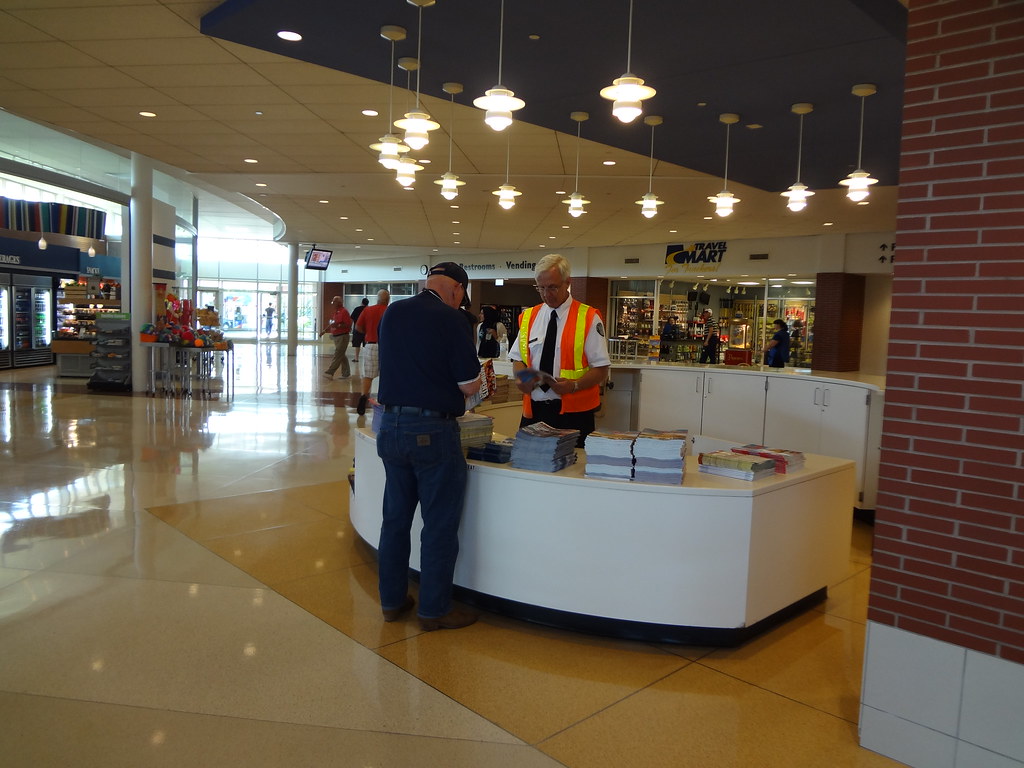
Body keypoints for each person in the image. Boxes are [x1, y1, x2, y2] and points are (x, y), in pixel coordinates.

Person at [375, 262, 482, 631]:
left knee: (394, 520)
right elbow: (468, 386)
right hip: (432, 431)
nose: (461, 302)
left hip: (390, 427)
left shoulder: (393, 311)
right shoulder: (452, 319)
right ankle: (434, 610)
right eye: (462, 296)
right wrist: (481, 375)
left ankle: (391, 602)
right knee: (438, 523)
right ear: (456, 288)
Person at [509, 253, 610, 447]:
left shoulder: (588, 317)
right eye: (541, 288)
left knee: (571, 470)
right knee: (530, 466)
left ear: (567, 283)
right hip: (534, 412)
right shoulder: (529, 316)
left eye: (552, 287)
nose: (547, 294)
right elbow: (518, 358)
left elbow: (601, 369)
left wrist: (574, 385)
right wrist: (522, 377)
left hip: (574, 414)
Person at [353, 289, 390, 414]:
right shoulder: (390, 311)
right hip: (386, 346)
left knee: (368, 375)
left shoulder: (368, 310)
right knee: (386, 374)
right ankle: (384, 400)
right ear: (388, 299)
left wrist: (367, 333)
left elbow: (357, 326)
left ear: (377, 299)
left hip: (370, 345)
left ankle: (363, 397)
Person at [320, 296, 352, 379]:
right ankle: (346, 373)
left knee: (338, 354)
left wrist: (338, 325)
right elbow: (332, 323)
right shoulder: (336, 312)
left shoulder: (344, 312)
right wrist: (324, 331)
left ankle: (330, 372)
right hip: (336, 337)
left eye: (334, 302)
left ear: (339, 302)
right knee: (341, 355)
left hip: (343, 336)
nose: (333, 304)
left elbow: (348, 324)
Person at [349, 297, 369, 362]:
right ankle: (366, 358)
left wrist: (350, 327)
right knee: (366, 345)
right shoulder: (368, 309)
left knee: (357, 344)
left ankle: (356, 358)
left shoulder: (357, 309)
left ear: (362, 302)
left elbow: (351, 319)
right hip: (366, 329)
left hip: (357, 328)